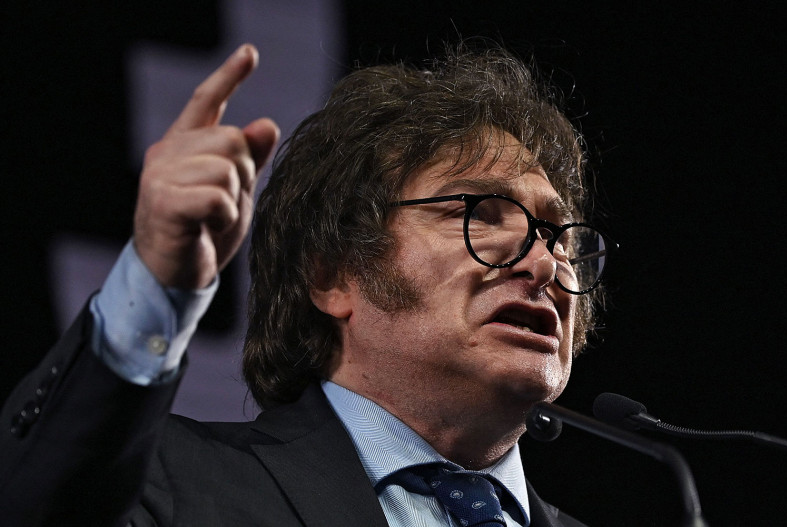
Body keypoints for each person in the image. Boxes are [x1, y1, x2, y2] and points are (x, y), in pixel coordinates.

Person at [0, 42, 613, 526]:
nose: (544, 264)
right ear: (332, 274)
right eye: (479, 213)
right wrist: (157, 284)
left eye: (558, 236)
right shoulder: (170, 485)